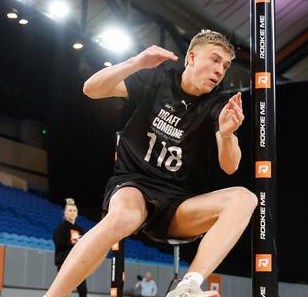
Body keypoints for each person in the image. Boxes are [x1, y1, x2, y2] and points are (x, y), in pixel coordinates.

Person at [44, 30, 256, 297]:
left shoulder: (216, 105)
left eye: (225, 66)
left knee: (244, 199)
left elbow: (230, 166)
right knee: (124, 216)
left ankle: (188, 287)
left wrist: (226, 134)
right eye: (214, 60)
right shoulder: (157, 79)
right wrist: (135, 62)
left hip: (177, 205)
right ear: (191, 57)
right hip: (135, 185)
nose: (220, 70)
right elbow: (91, 89)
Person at [52, 198, 87, 297]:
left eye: (74, 211)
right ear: (65, 213)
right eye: (70, 210)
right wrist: (75, 244)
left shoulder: (80, 229)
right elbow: (58, 242)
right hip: (64, 262)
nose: (72, 213)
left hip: (78, 262)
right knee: (63, 290)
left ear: (77, 213)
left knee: (83, 291)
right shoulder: (60, 228)